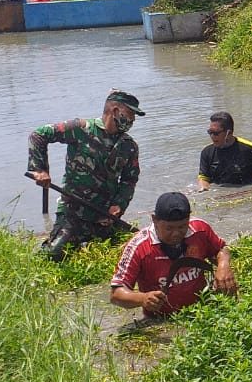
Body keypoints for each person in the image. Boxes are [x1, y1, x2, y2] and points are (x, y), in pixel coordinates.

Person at [29, 89, 143, 261]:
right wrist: (40, 169)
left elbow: (129, 180)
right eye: (130, 114)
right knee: (53, 256)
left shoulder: (129, 146)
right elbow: (38, 135)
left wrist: (118, 206)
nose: (132, 120)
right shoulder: (80, 129)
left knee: (131, 250)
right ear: (115, 111)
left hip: (104, 217)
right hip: (72, 213)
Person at [110, 192, 237, 318]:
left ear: (188, 219)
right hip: (161, 319)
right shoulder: (138, 246)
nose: (176, 234)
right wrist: (142, 298)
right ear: (154, 220)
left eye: (182, 227)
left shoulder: (200, 230)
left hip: (201, 312)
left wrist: (223, 265)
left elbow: (221, 249)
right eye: (169, 228)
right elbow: (116, 294)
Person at [197, 111, 252, 191]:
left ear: (229, 133)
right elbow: (204, 178)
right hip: (222, 193)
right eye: (210, 132)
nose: (212, 136)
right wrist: (203, 188)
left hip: (249, 190)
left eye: (215, 133)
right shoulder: (206, 152)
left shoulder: (249, 149)